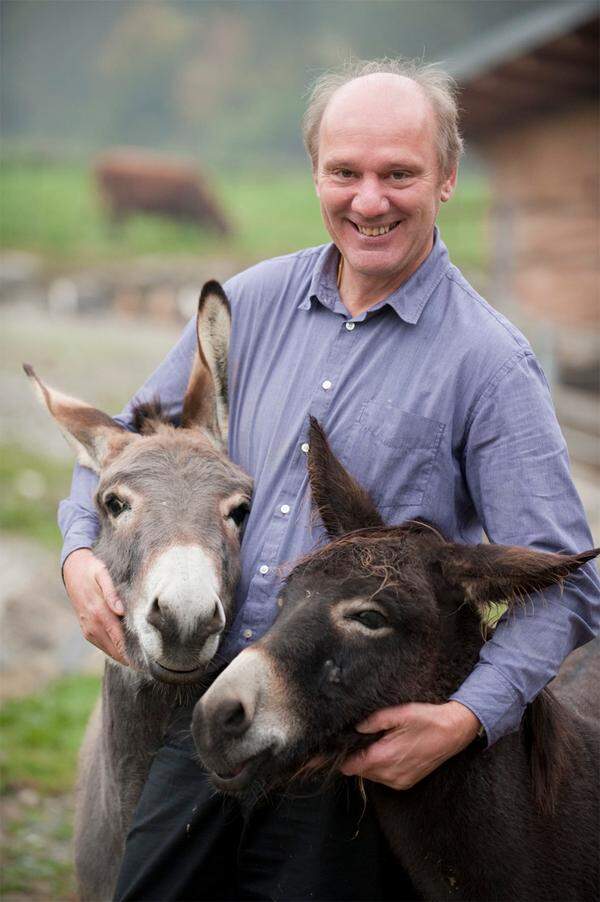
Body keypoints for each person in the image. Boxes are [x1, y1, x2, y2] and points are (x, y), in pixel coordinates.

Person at [60, 59, 599, 900]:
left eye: (399, 173)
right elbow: (131, 445)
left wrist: (462, 721)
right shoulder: (254, 300)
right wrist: (76, 554)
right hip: (213, 710)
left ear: (447, 178)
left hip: (343, 763)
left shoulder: (490, 367)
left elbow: (567, 588)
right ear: (316, 170)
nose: (369, 199)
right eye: (345, 171)